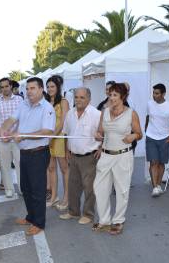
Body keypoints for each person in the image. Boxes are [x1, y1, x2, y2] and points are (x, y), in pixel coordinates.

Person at [1, 77, 55, 236]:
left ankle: (39, 223)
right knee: (25, 187)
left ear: (41, 89)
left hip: (38, 153)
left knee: (37, 190)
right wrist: (4, 130)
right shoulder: (23, 104)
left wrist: (23, 135)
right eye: (27, 88)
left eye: (32, 88)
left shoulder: (47, 107)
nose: (29, 91)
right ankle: (31, 217)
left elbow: (47, 131)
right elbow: (11, 120)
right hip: (24, 152)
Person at [92, 83, 142, 235]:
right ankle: (104, 220)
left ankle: (118, 221)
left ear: (123, 97)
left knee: (122, 190)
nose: (111, 97)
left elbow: (139, 133)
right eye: (110, 94)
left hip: (123, 155)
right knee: (99, 187)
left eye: (115, 95)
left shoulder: (131, 113)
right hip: (106, 155)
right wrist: (97, 135)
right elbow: (100, 131)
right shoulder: (105, 112)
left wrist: (133, 135)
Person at [59, 88, 101, 225]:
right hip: (73, 156)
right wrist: (66, 151)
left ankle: (88, 214)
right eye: (76, 97)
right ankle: (73, 212)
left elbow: (105, 133)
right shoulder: (70, 114)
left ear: (89, 99)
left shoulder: (96, 114)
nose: (78, 100)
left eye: (82, 97)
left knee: (89, 187)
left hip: (89, 157)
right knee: (73, 186)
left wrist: (101, 148)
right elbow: (66, 134)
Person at [145, 83, 169, 197]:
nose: (154, 95)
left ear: (163, 94)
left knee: (161, 163)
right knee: (153, 162)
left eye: (157, 93)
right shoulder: (149, 104)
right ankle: (155, 188)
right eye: (153, 93)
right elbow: (148, 116)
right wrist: (146, 129)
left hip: (164, 139)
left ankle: (158, 185)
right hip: (151, 137)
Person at [0, 78, 23, 197]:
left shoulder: (20, 100)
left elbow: (22, 119)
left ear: (11, 86)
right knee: (4, 165)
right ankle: (9, 189)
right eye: (2, 87)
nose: (4, 89)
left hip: (16, 138)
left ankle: (22, 188)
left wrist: (14, 133)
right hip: (1, 138)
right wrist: (1, 133)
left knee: (20, 164)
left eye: (6, 86)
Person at [45, 76, 70, 210]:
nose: (49, 89)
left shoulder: (64, 102)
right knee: (51, 168)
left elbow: (63, 122)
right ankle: (54, 197)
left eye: (52, 86)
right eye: (48, 87)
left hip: (60, 137)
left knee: (64, 168)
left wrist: (52, 136)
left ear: (58, 87)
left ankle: (66, 197)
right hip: (48, 137)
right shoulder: (45, 102)